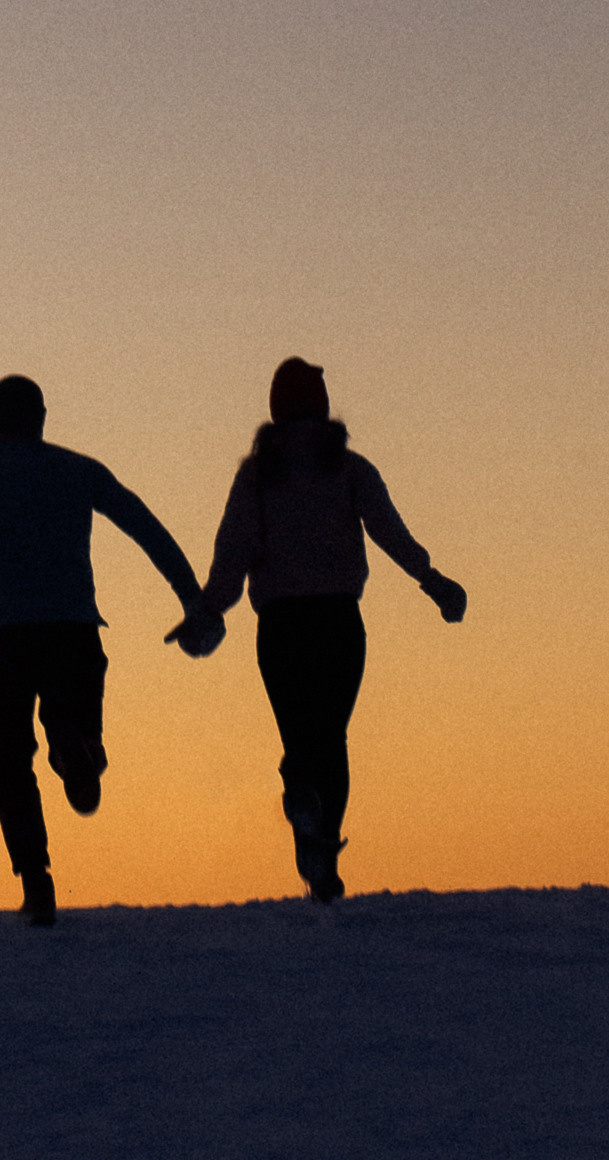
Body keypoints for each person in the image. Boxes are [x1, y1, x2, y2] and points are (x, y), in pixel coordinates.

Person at [0, 373, 222, 926]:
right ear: (42, 416)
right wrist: (193, 600)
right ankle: (74, 749)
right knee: (75, 722)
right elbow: (145, 527)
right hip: (71, 629)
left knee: (9, 762)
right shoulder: (79, 470)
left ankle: (37, 886)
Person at [203, 355, 467, 902]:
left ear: (276, 410)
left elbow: (232, 550)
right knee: (330, 736)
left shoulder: (258, 476)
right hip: (338, 623)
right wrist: (432, 580)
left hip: (280, 626)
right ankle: (320, 843)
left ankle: (303, 802)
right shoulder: (348, 468)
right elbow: (390, 531)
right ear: (322, 409)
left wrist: (210, 609)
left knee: (301, 734)